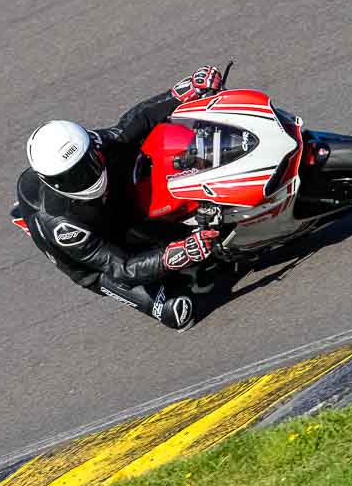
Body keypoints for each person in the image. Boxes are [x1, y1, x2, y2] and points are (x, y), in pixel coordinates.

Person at [15, 66, 224, 332]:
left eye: (88, 163)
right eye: (76, 177)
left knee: (137, 154)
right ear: (56, 184)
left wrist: (180, 93)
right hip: (99, 260)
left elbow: (132, 124)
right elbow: (120, 267)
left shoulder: (89, 146)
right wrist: (172, 256)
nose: (89, 174)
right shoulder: (63, 226)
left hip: (113, 206)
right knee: (178, 311)